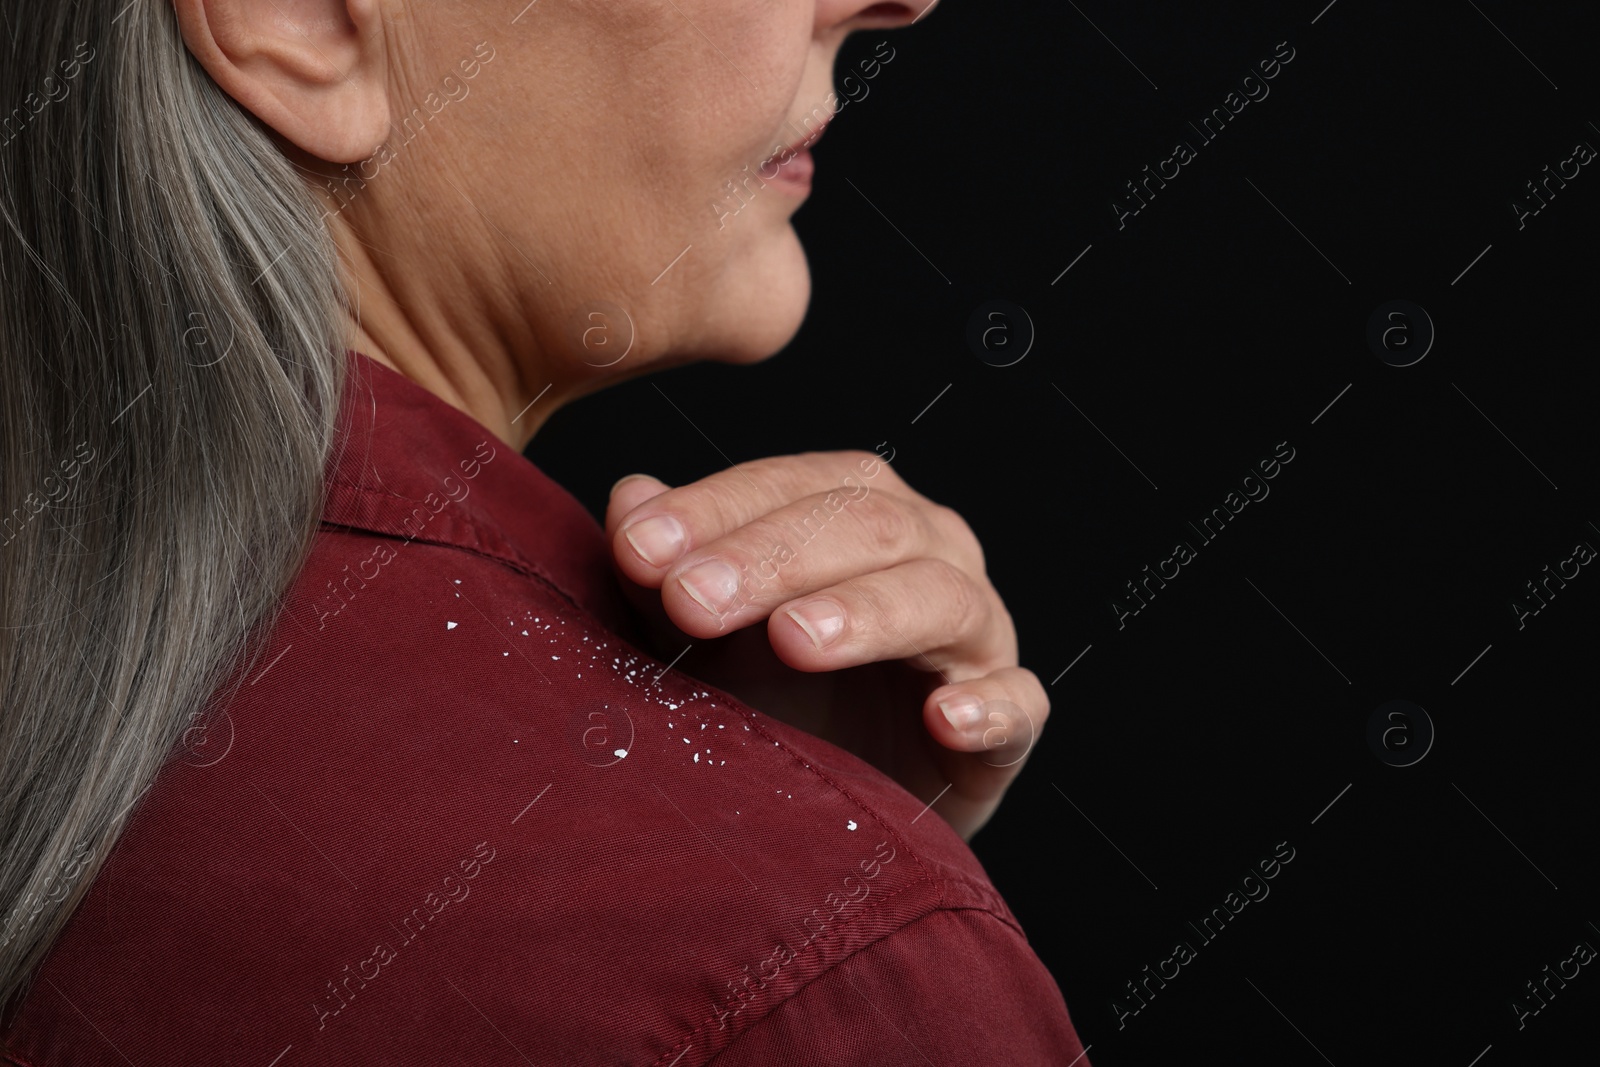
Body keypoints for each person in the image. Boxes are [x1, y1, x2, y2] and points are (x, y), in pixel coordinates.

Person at [0, 0, 1090, 1062]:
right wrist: (829, 914)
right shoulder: (814, 974)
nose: (898, 3)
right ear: (301, 19)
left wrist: (764, 805)